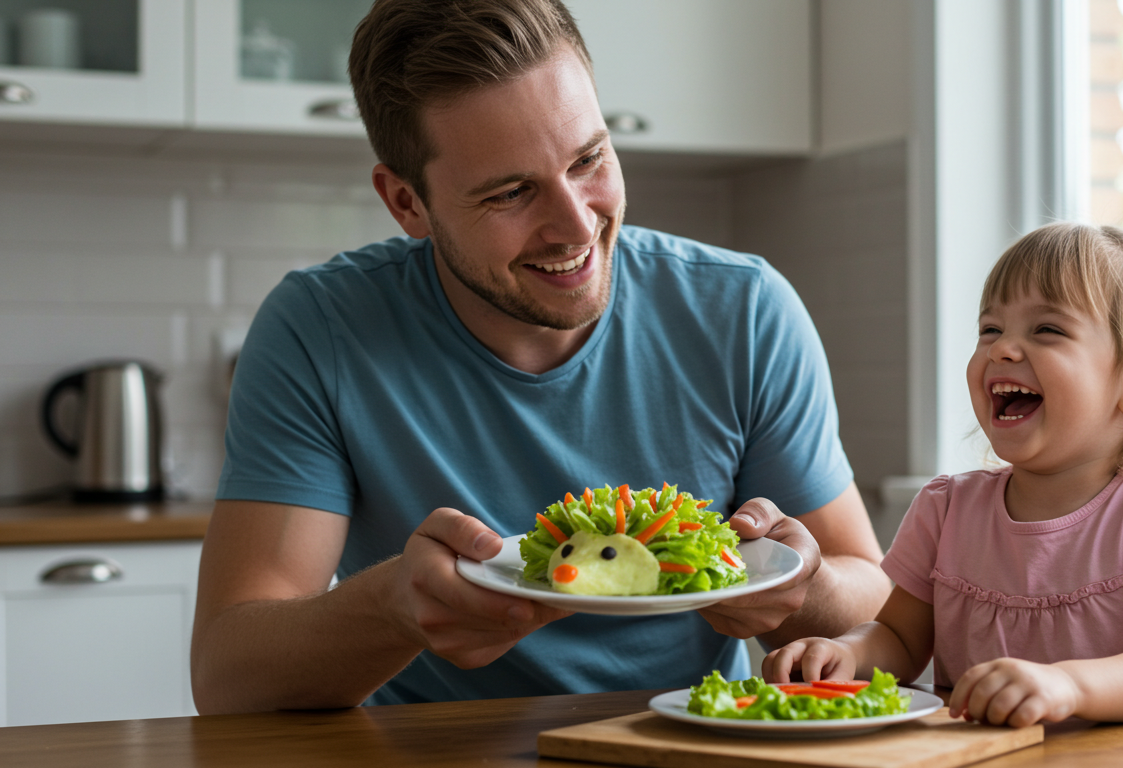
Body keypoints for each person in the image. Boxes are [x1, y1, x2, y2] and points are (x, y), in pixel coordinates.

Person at [190, 0, 891, 715]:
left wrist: (806, 586)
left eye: (589, 159)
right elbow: (228, 677)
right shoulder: (321, 329)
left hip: (685, 741)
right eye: (512, 193)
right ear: (407, 203)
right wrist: (392, 606)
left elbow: (871, 587)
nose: (576, 225)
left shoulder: (744, 311)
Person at [763, 222, 1123, 727]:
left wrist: (1067, 686)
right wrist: (844, 652)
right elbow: (898, 641)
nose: (1001, 348)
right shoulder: (947, 508)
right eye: (990, 328)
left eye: (1047, 329)